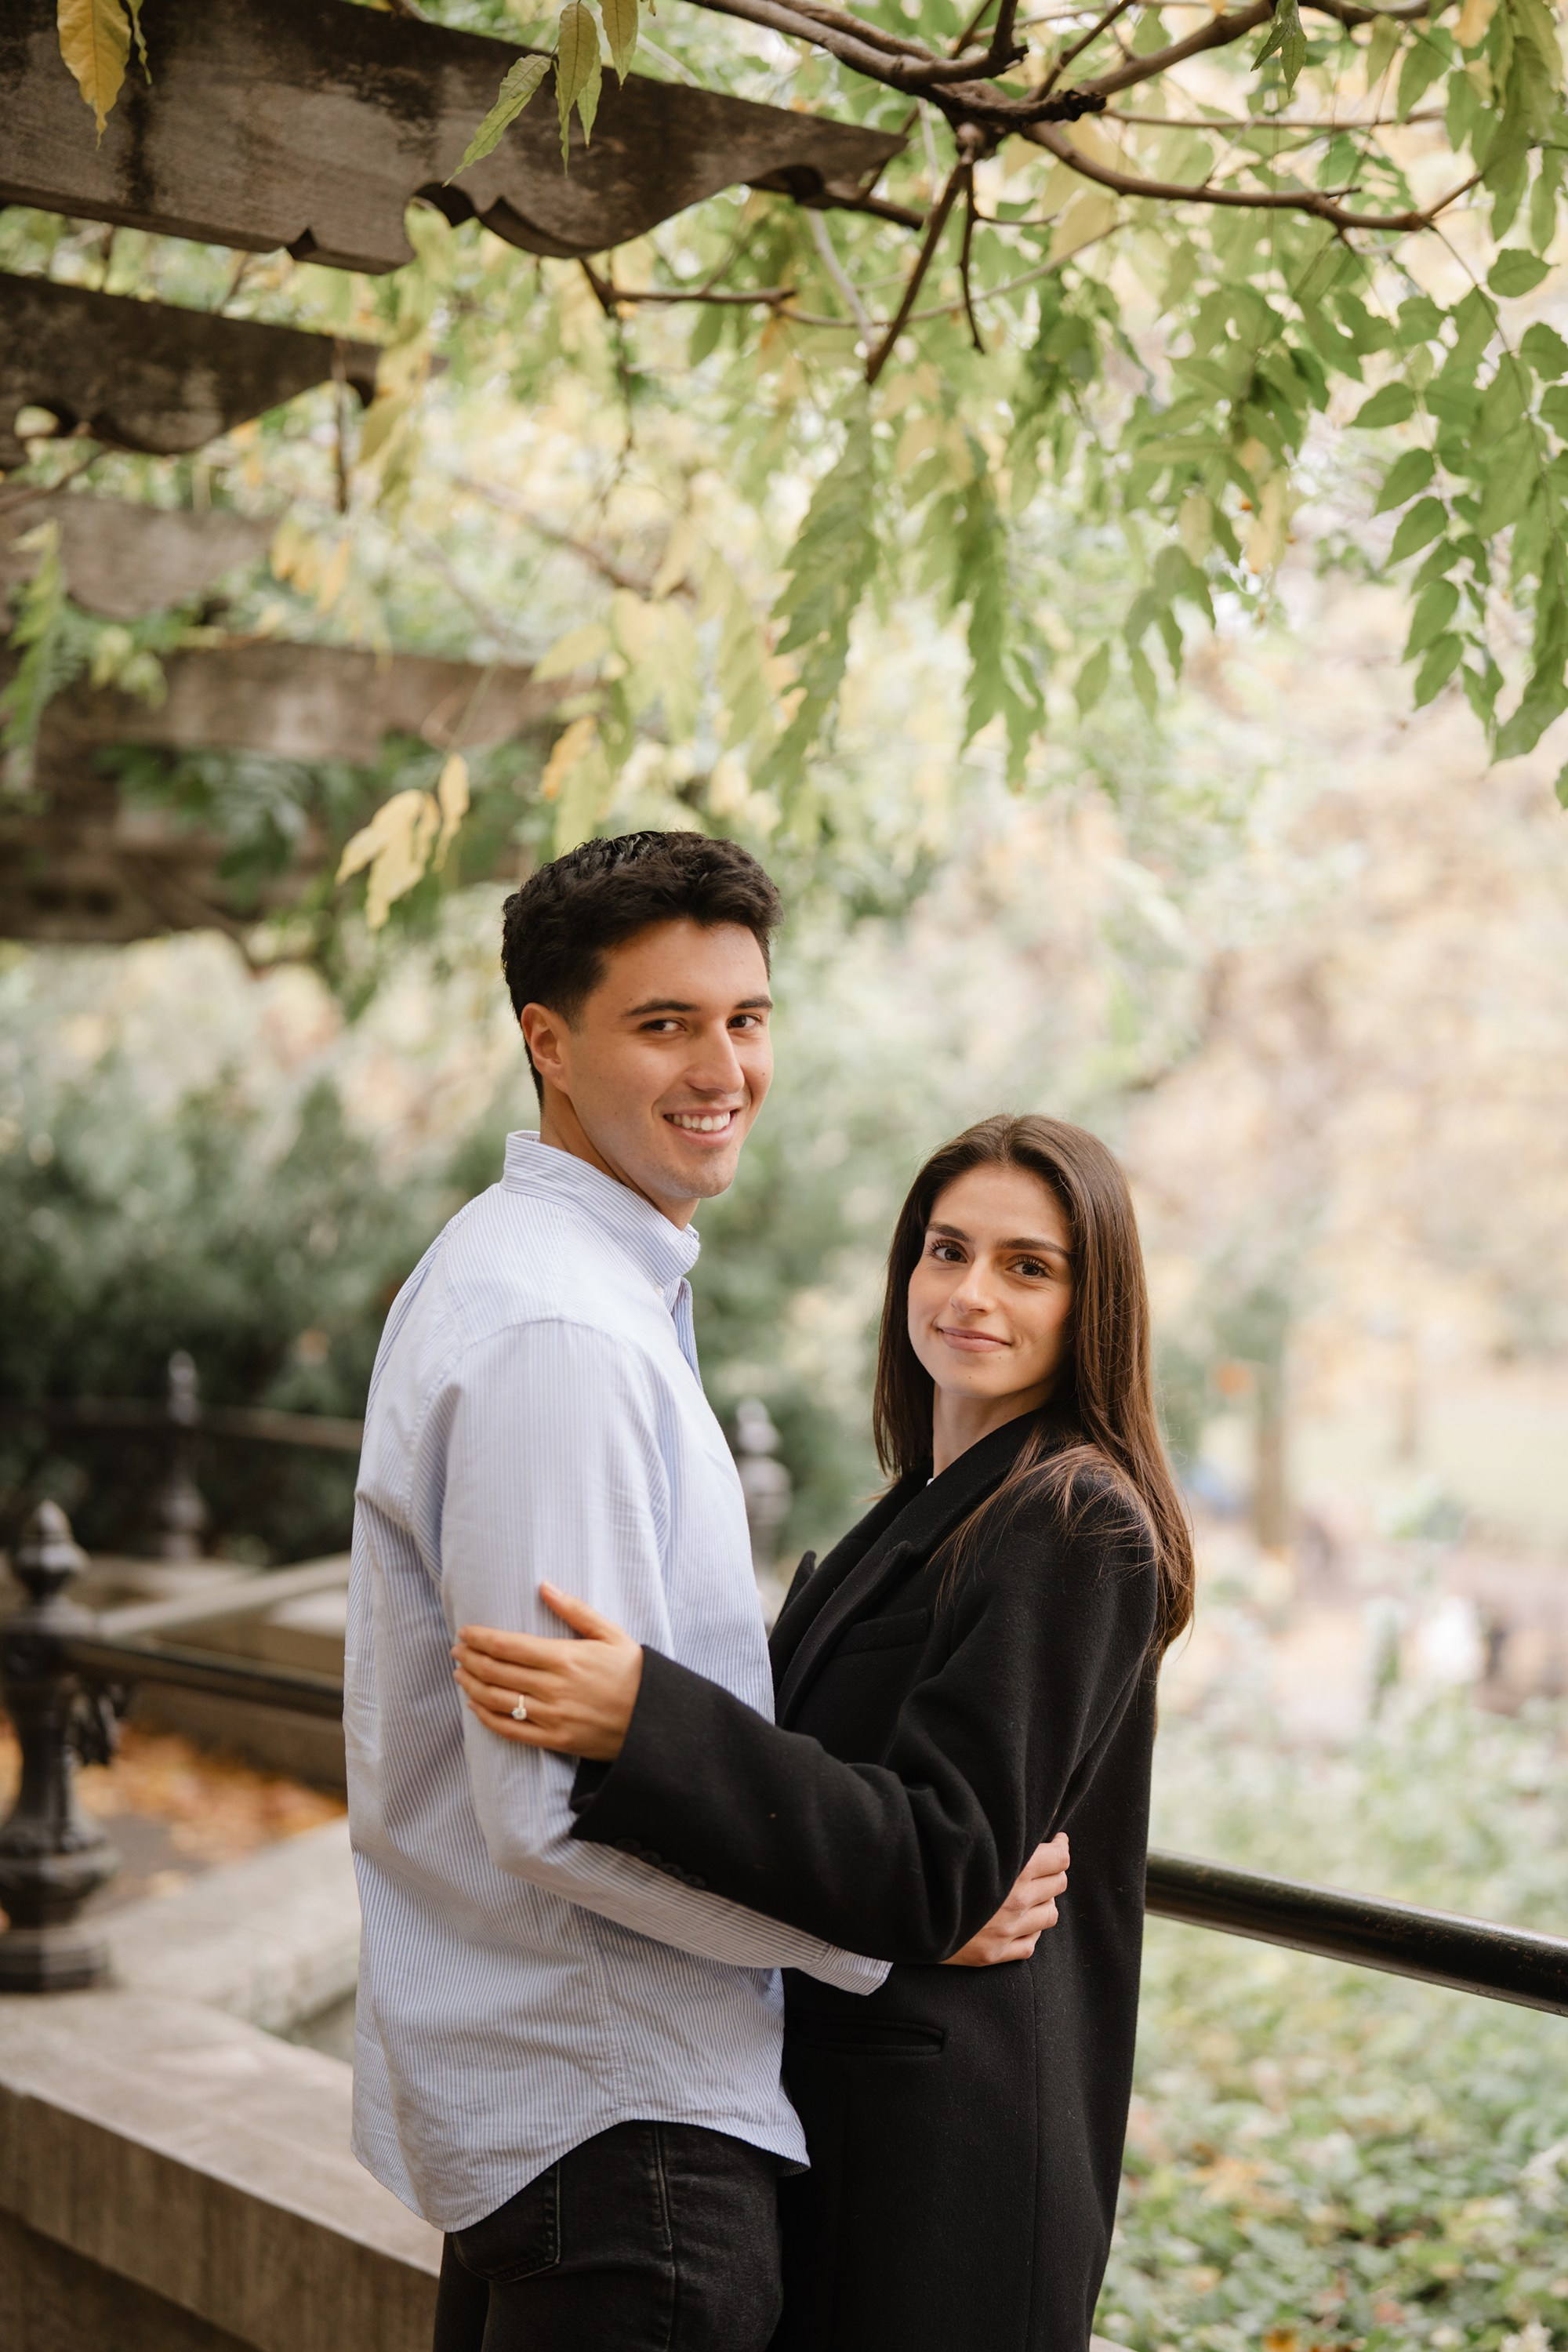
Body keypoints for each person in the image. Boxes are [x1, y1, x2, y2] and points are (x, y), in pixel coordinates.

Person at [344, 831, 1062, 2352]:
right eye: (663, 1024)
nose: (723, 1066)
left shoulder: (559, 1280)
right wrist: (889, 1931)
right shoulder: (560, 1334)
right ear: (548, 1041)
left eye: (747, 1017)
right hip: (622, 2122)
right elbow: (544, 1812)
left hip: (578, 2100)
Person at [454, 1111, 1196, 2352]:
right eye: (946, 1249)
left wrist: (649, 1722)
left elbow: (942, 1864)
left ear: (1093, 1304)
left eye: (1028, 1266)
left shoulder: (1075, 1518)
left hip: (944, 2164)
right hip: (848, 2119)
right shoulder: (922, 1505)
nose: (970, 1292)